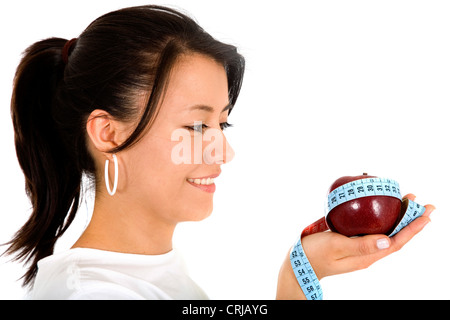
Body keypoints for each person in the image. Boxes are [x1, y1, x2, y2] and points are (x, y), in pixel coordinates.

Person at [6, 5, 434, 300]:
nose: (223, 151)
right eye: (196, 125)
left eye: (221, 123)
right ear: (108, 132)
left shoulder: (144, 273)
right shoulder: (96, 293)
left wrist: (300, 272)